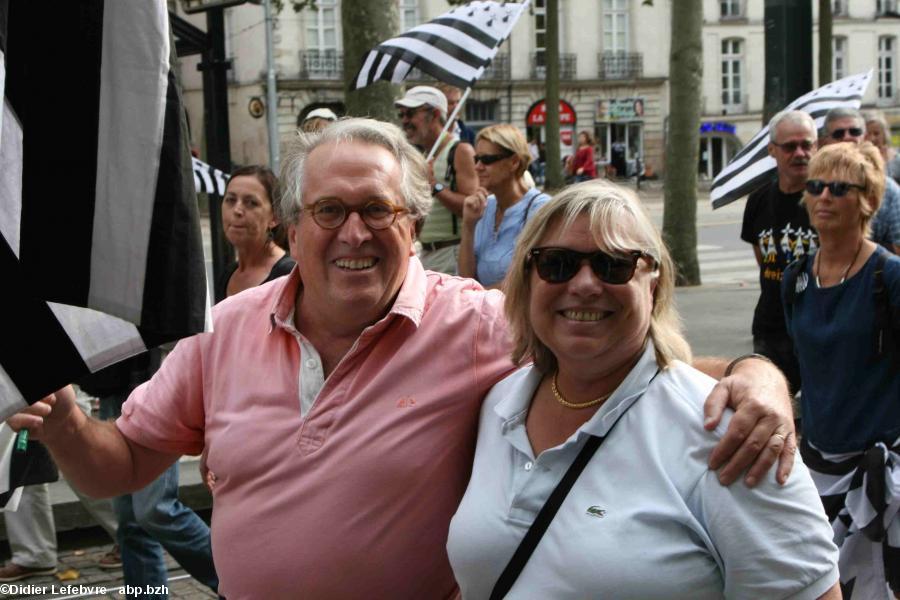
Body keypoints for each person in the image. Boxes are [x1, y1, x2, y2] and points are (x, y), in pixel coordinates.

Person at [9, 118, 798, 599]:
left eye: (377, 209)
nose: (354, 233)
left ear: (415, 225)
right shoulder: (224, 329)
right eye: (329, 211)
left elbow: (636, 356)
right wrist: (68, 419)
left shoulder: (482, 325)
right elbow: (122, 467)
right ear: (294, 225)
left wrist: (760, 379)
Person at [448, 180, 840, 599]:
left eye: (613, 264)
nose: (583, 284)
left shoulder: (734, 436)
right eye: (557, 263)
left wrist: (762, 372)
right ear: (527, 280)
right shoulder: (498, 404)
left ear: (653, 283)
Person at [783, 142, 900, 600]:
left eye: (839, 188)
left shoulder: (888, 277)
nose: (824, 197)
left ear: (867, 201)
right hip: (816, 469)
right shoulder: (796, 279)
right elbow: (801, 367)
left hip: (881, 471)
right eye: (815, 186)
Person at [87, 350, 219, 600]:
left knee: (155, 510)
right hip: (114, 382)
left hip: (154, 379)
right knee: (129, 519)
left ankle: (233, 581)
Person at [0, 390, 120, 583]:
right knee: (17, 465)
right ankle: (34, 554)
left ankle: (129, 533)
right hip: (11, 385)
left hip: (53, 380)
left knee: (79, 457)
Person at [741, 109, 818, 396]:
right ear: (772, 150)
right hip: (770, 326)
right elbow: (763, 259)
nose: (800, 153)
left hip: (818, 324)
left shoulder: (827, 198)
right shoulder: (759, 200)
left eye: (806, 144)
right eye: (790, 146)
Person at [395, 85, 477, 274]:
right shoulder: (423, 156)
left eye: (411, 114)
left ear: (434, 114)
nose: (405, 121)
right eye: (402, 115)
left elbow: (472, 207)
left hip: (451, 255)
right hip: (426, 254)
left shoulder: (460, 151)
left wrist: (435, 186)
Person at [458, 125, 550, 288]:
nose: (478, 167)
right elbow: (466, 279)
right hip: (483, 310)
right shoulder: (484, 207)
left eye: (487, 160)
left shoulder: (541, 210)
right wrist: (468, 225)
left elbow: (531, 281)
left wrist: (476, 298)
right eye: (476, 159)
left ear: (514, 162)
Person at [821, 107, 900, 254]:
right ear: (826, 141)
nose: (847, 137)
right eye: (839, 133)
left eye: (854, 132)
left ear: (864, 137)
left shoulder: (888, 190)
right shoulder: (814, 187)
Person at [215, 165, 295, 303]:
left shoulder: (288, 275)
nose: (237, 210)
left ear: (275, 217)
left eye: (251, 203)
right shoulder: (228, 274)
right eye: (230, 200)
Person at [866, 111, 900, 183]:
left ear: (884, 134)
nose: (872, 138)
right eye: (868, 134)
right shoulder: (860, 158)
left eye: (876, 133)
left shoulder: (896, 159)